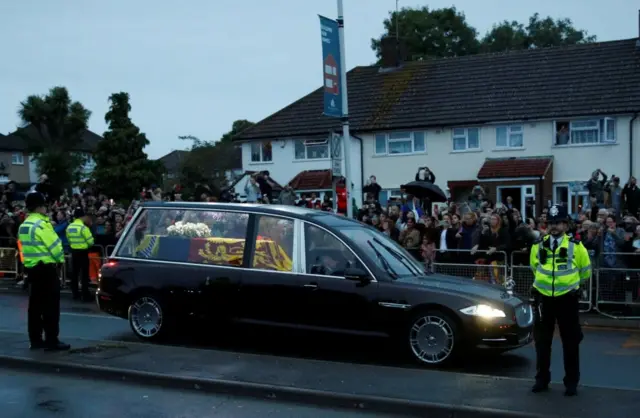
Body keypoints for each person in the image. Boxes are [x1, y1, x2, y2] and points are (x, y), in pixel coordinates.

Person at [529, 204, 591, 396]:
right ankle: (542, 379)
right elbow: (535, 268)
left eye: (558, 223)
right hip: (543, 299)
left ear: (566, 225)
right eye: (551, 223)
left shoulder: (576, 247)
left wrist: (570, 286)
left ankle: (571, 382)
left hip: (567, 299)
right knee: (541, 341)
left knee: (571, 342)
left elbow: (585, 272)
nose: (554, 226)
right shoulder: (538, 246)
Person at [18, 192, 69, 351]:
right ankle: (52, 340)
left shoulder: (24, 225)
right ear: (40, 207)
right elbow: (55, 247)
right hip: (47, 270)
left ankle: (35, 340)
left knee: (34, 307)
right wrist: (60, 261)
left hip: (32, 270)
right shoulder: (42, 224)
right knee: (51, 307)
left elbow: (22, 249)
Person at [65, 208, 94, 301]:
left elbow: (68, 239)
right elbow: (90, 242)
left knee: (74, 273)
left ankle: (75, 293)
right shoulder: (83, 228)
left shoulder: (69, 227)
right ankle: (85, 294)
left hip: (74, 251)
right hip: (83, 252)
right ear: (83, 216)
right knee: (84, 274)